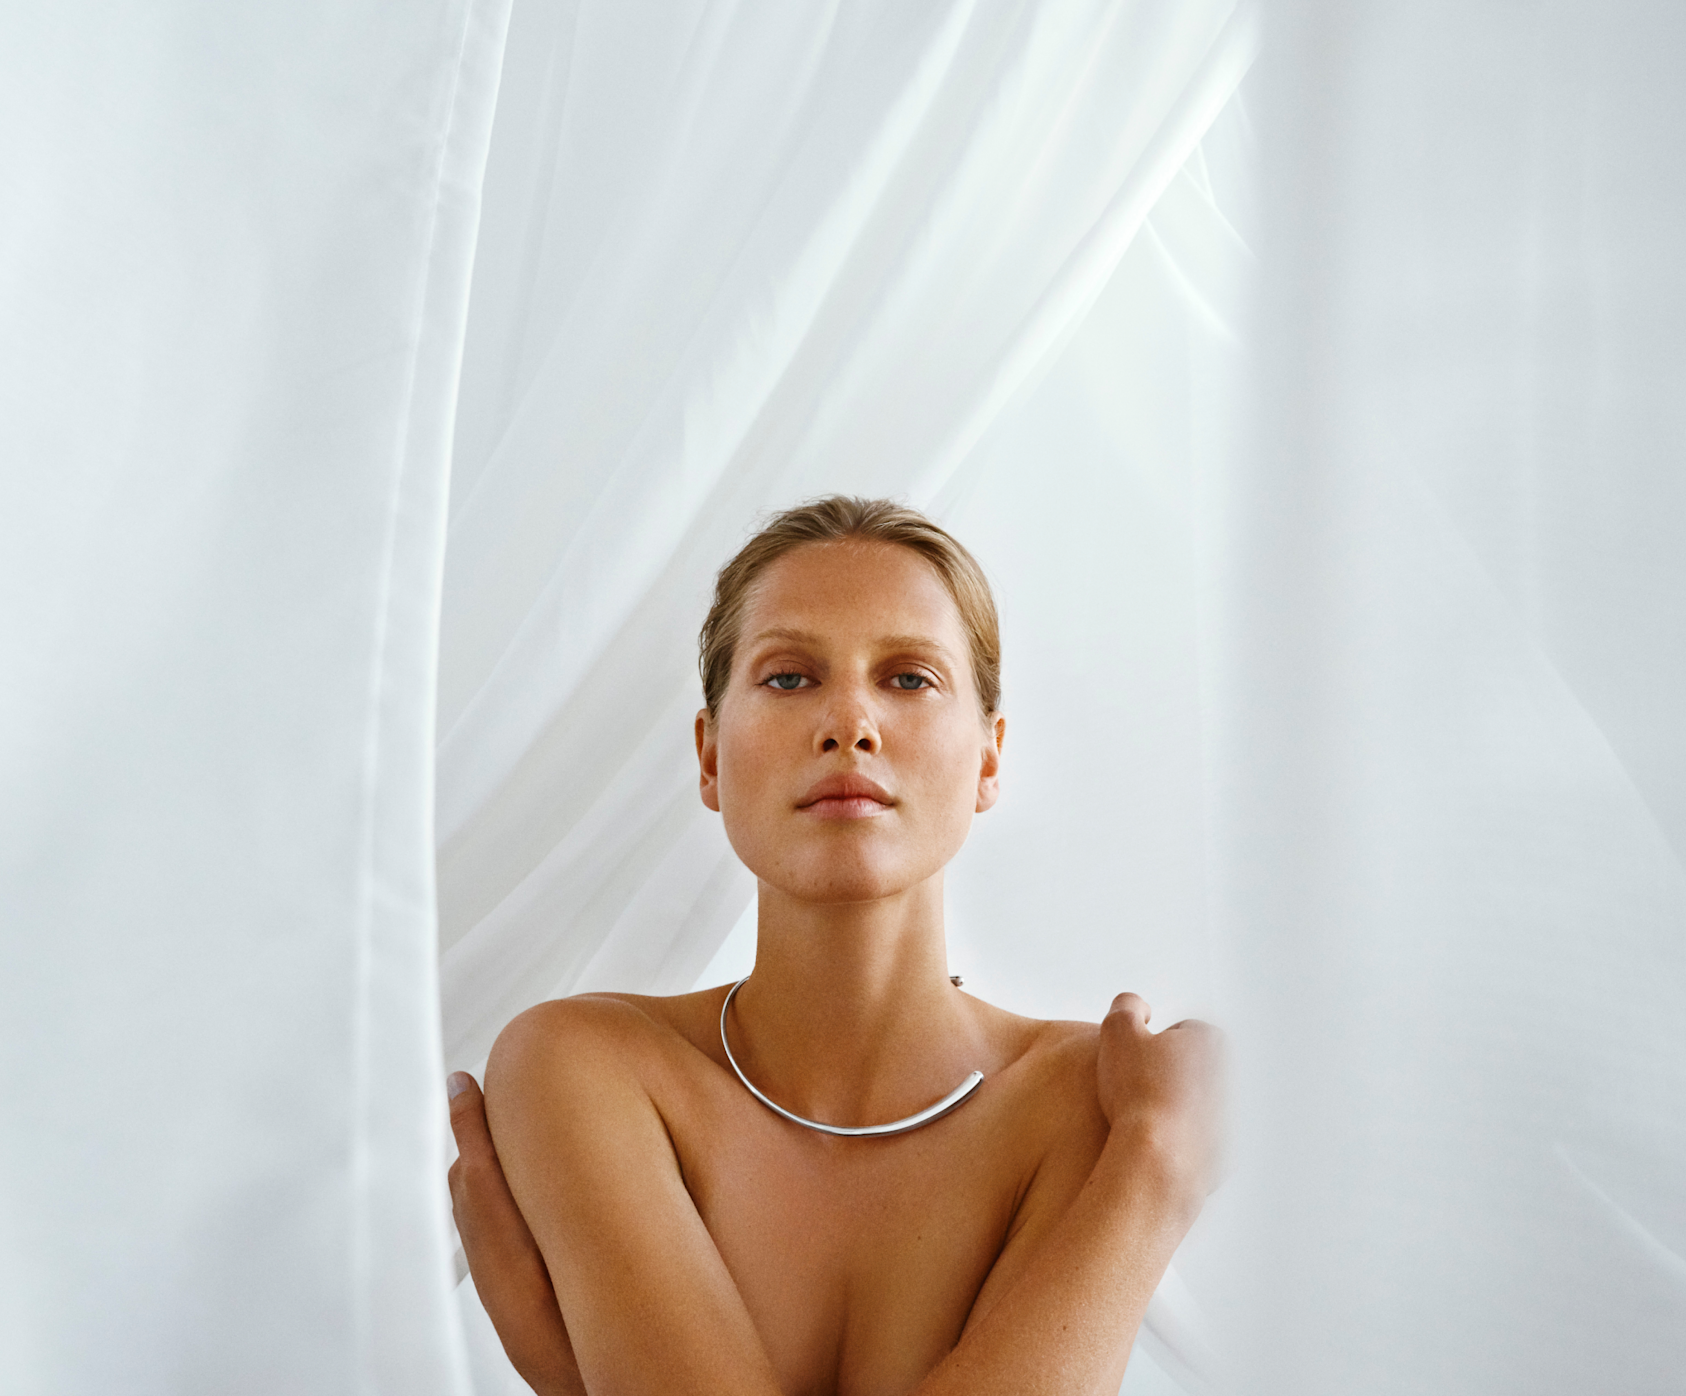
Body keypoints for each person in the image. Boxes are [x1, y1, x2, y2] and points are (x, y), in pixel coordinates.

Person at [445, 496, 1223, 1396]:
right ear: (708, 756)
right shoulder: (586, 1066)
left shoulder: (1100, 1097)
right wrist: (1157, 1173)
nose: (849, 722)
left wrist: (1155, 1163)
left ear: (989, 760)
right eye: (787, 677)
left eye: (909, 678)